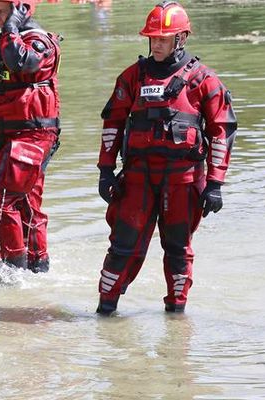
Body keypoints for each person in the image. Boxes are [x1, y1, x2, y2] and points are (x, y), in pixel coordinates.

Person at [95, 1, 236, 315]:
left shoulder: (203, 81)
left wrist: (215, 183)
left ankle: (176, 319)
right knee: (122, 248)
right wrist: (105, 170)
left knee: (177, 250)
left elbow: (221, 132)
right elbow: (113, 123)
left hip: (183, 179)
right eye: (153, 38)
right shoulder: (132, 77)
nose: (156, 43)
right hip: (137, 178)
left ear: (181, 38)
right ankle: (105, 313)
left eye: (163, 38)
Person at [0, 0, 62, 272]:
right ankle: (38, 266)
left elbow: (22, 62)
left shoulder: (38, 42)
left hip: (32, 136)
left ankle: (13, 269)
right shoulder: (0, 43)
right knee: (26, 204)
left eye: (2, 11)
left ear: (20, 11)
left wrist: (12, 26)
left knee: (0, 200)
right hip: (8, 138)